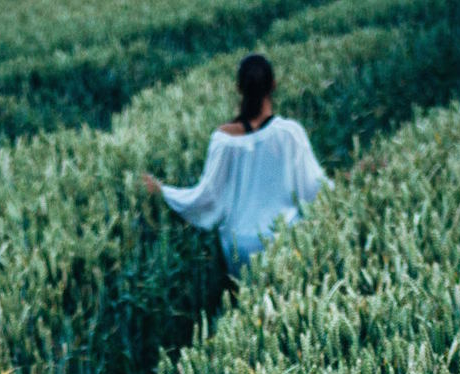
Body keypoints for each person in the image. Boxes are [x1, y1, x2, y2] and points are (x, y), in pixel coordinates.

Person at [142, 54, 332, 275]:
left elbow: (205, 197)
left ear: (238, 88)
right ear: (273, 85)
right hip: (284, 240)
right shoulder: (290, 133)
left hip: (239, 247)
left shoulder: (223, 140)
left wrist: (163, 191)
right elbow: (316, 189)